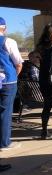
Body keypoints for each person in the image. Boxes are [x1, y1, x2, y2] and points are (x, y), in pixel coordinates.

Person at [0, 17, 23, 151]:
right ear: (5, 28)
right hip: (8, 80)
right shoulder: (9, 41)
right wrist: (14, 74)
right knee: (6, 112)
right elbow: (18, 63)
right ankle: (4, 143)